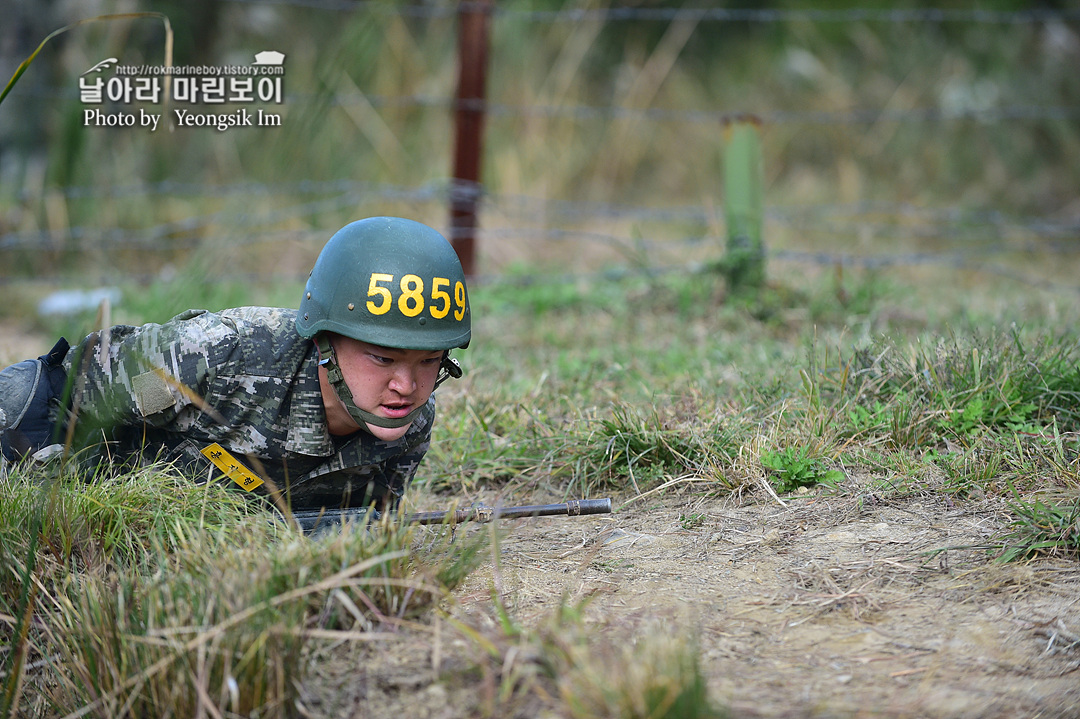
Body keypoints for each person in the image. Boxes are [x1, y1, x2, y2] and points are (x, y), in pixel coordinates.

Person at [0, 216, 470, 514]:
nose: (406, 385)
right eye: (383, 358)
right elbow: (75, 390)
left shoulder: (407, 425)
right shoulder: (217, 358)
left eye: (429, 361)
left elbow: (361, 534)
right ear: (325, 340)